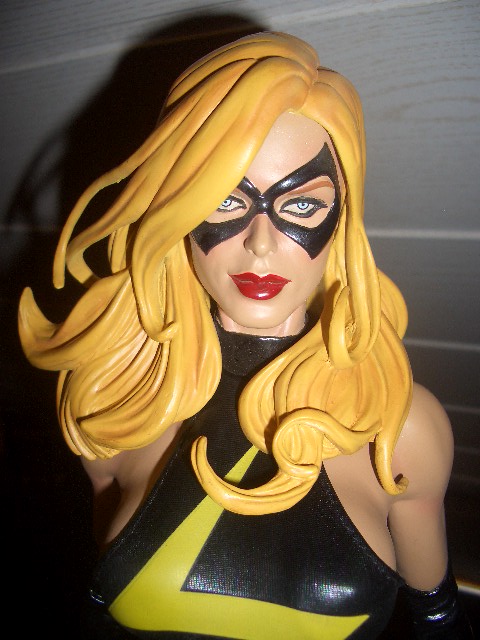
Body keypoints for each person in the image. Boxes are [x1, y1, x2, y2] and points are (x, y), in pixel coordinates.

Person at [18, 32, 472, 639]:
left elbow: (439, 620)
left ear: (342, 220)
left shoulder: (402, 430)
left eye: (301, 207)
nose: (261, 243)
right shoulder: (114, 398)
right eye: (227, 201)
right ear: (178, 209)